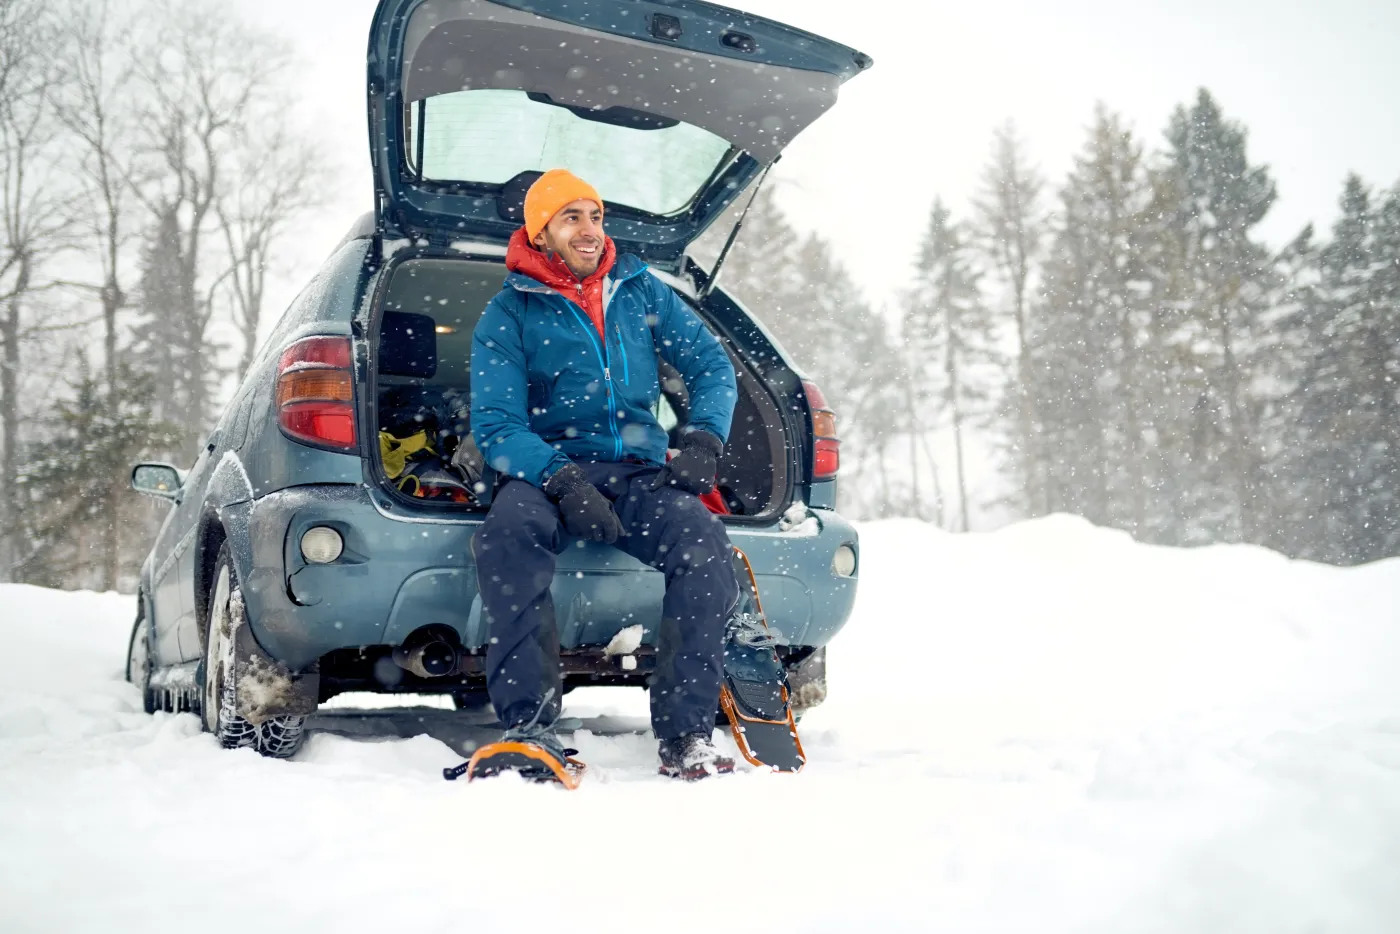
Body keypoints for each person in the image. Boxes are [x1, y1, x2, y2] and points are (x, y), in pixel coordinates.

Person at [468, 169, 740, 781]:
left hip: (639, 470)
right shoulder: (508, 313)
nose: (589, 230)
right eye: (571, 218)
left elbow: (710, 365)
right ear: (540, 233)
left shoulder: (641, 290)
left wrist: (703, 438)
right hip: (545, 470)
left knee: (705, 547)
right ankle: (530, 726)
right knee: (508, 536)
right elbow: (496, 424)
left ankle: (686, 735)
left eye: (594, 215)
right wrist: (562, 481)